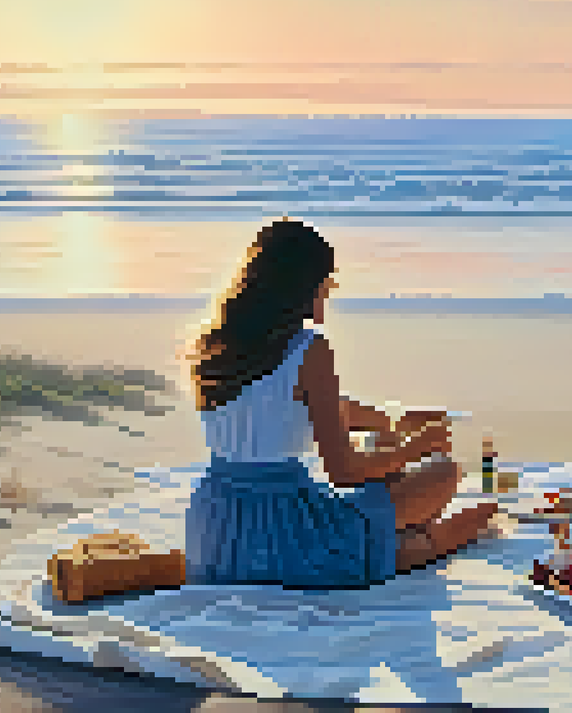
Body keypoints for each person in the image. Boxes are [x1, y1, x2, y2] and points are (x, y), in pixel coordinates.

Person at [184, 218, 498, 588]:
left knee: (386, 454)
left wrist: (387, 422)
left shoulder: (213, 346)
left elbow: (284, 405)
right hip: (285, 532)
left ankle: (399, 536)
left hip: (216, 535)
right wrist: (417, 448)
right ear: (303, 287)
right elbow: (343, 472)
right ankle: (413, 541)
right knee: (448, 478)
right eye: (325, 285)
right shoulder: (308, 348)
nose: (326, 295)